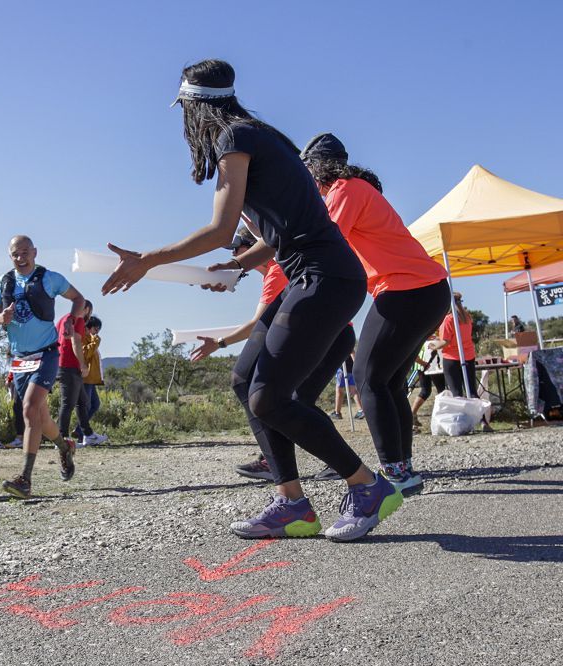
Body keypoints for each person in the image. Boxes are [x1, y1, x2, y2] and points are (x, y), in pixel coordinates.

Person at [102, 60, 402, 541]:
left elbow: (223, 229)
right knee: (246, 381)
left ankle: (368, 486)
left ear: (194, 108)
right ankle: (293, 505)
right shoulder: (265, 136)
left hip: (325, 277)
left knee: (269, 396)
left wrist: (148, 259)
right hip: (310, 274)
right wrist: (239, 266)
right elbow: (286, 228)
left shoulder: (234, 140)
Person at [301, 132, 451, 495]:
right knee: (389, 382)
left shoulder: (344, 190)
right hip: (424, 290)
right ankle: (404, 470)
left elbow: (324, 245)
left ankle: (396, 474)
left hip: (407, 291)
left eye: (305, 170)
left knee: (368, 379)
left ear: (317, 168)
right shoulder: (356, 190)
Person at [193, 225, 353, 483]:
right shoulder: (277, 272)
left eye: (238, 248)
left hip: (330, 336)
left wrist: (221, 343)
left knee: (286, 397)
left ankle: (299, 462)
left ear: (254, 246)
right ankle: (300, 461)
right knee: (294, 399)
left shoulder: (278, 272)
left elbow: (258, 323)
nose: (236, 253)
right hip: (331, 334)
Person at [0, 235, 87, 498]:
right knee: (40, 418)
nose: (20, 258)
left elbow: (79, 299)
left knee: (29, 407)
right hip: (20, 358)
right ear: (10, 256)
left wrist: (71, 321)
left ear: (35, 252)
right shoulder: (4, 282)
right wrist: (0, 318)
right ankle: (64, 447)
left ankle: (25, 480)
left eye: (24, 253)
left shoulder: (49, 278)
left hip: (47, 353)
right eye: (15, 254)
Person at [432, 292, 493, 432]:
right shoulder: (466, 317)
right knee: (472, 391)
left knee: (457, 393)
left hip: (452, 358)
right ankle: (484, 422)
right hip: (468, 356)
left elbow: (445, 341)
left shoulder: (449, 319)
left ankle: (462, 424)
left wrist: (434, 345)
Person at [56, 301, 107, 448]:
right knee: (67, 403)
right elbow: (76, 342)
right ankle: (62, 438)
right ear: (84, 309)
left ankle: (88, 435)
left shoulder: (62, 319)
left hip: (63, 364)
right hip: (70, 365)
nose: (88, 316)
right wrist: (82, 364)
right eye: (89, 312)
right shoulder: (77, 320)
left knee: (82, 402)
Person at [410, 333, 445, 426]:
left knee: (426, 390)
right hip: (429, 363)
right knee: (441, 390)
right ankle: (443, 416)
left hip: (423, 363)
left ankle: (412, 414)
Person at [81, 315, 105, 428]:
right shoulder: (82, 338)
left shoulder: (91, 339)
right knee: (86, 405)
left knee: (95, 405)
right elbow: (85, 355)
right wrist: (95, 342)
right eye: (95, 329)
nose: (97, 332)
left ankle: (80, 430)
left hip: (91, 379)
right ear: (88, 328)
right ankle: (83, 432)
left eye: (98, 329)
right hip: (85, 378)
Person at [331, 354, 364, 420]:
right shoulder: (347, 344)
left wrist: (357, 365)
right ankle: (360, 410)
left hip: (342, 369)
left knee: (339, 390)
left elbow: (352, 353)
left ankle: (337, 413)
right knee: (354, 391)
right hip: (351, 369)